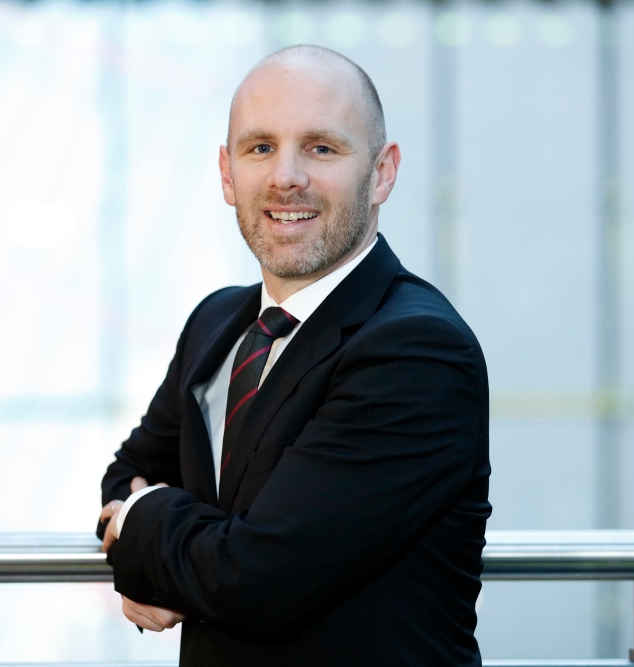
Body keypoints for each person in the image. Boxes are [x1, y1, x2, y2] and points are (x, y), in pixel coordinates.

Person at [97, 44, 491, 667]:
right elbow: (129, 470)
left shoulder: (417, 350)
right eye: (260, 148)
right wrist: (157, 537)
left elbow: (256, 580)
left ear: (383, 172)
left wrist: (146, 528)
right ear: (227, 174)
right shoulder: (216, 323)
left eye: (321, 148)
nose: (286, 177)